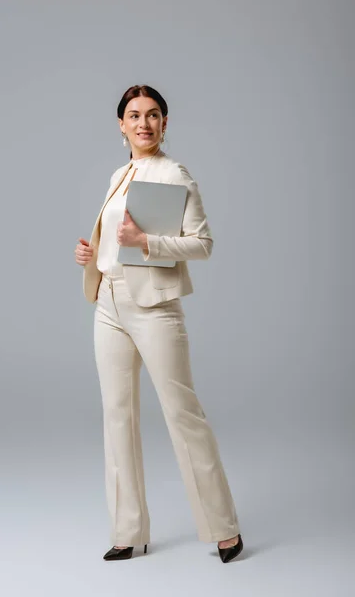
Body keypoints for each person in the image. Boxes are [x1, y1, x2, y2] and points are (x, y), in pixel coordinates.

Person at [75, 84, 243, 563]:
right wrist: (92, 253)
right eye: (134, 115)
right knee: (117, 417)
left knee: (182, 415)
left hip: (153, 305)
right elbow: (114, 239)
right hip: (108, 301)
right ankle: (128, 531)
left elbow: (202, 243)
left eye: (152, 115)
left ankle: (223, 528)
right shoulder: (120, 171)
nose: (143, 123)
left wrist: (147, 241)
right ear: (121, 125)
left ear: (165, 124)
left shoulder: (175, 173)